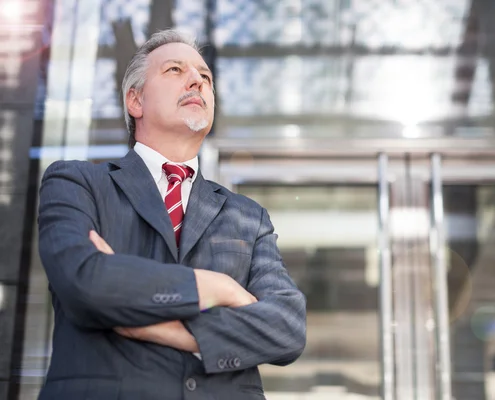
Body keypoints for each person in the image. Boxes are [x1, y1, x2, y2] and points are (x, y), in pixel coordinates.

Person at [36, 29, 306, 400]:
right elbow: (85, 280)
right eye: (175, 70)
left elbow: (287, 327)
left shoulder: (248, 216)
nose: (197, 79)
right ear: (136, 100)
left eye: (205, 77)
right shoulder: (76, 183)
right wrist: (218, 289)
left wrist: (171, 331)